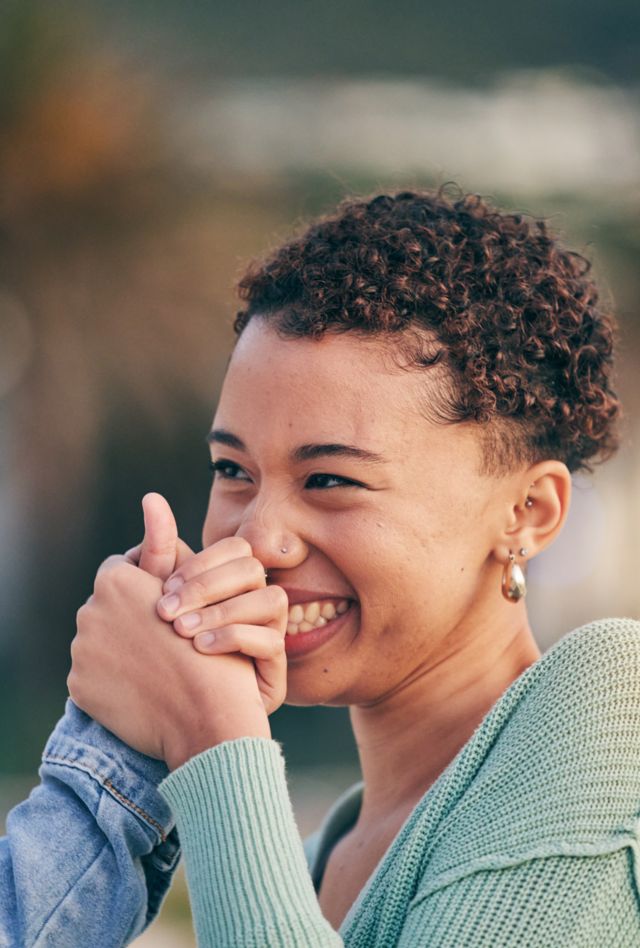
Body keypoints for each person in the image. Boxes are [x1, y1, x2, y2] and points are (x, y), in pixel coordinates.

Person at [5, 187, 640, 946]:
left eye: (331, 480)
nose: (260, 539)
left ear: (528, 512)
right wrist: (122, 750)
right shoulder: (303, 869)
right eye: (233, 469)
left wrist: (211, 734)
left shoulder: (611, 710)